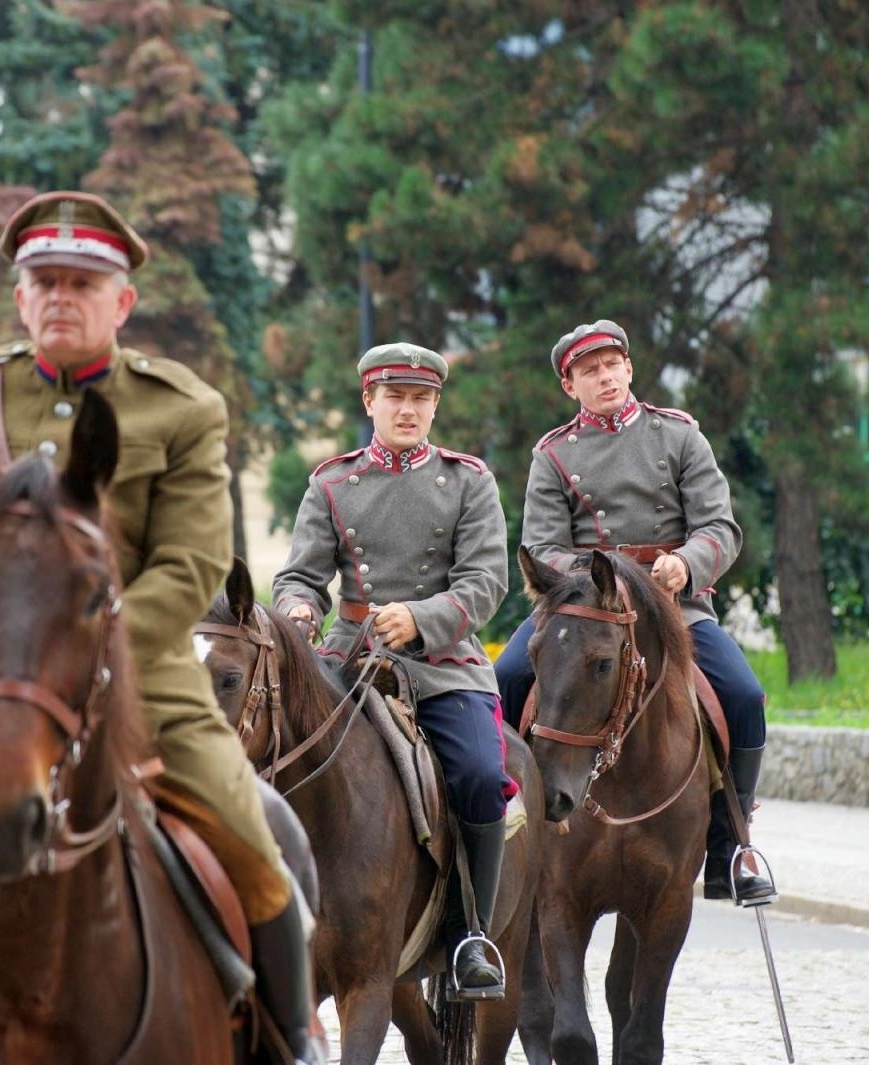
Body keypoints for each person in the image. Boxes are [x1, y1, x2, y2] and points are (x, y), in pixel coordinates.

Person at [0, 190, 323, 1065]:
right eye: (43, 280)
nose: (60, 296)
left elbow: (194, 563)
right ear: (19, 297)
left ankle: (296, 1042)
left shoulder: (181, 407)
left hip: (143, 678)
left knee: (259, 854)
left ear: (120, 303)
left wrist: (105, 648)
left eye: (81, 282)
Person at [493, 318, 774, 901]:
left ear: (629, 368)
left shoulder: (679, 437)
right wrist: (598, 584)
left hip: (676, 608)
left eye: (610, 364)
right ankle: (513, 823)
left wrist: (687, 563)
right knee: (508, 679)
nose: (603, 376)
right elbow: (542, 545)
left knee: (743, 696)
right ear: (570, 385)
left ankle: (733, 842)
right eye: (587, 371)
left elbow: (720, 526)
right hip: (584, 610)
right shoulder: (553, 455)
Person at [271, 343, 516, 999]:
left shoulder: (469, 481)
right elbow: (299, 574)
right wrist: (297, 606)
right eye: (395, 397)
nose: (408, 410)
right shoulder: (332, 482)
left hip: (444, 664)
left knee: (481, 775)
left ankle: (471, 934)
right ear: (369, 402)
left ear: (435, 404)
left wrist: (420, 616)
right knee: (275, 753)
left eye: (421, 399)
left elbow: (486, 581)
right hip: (347, 659)